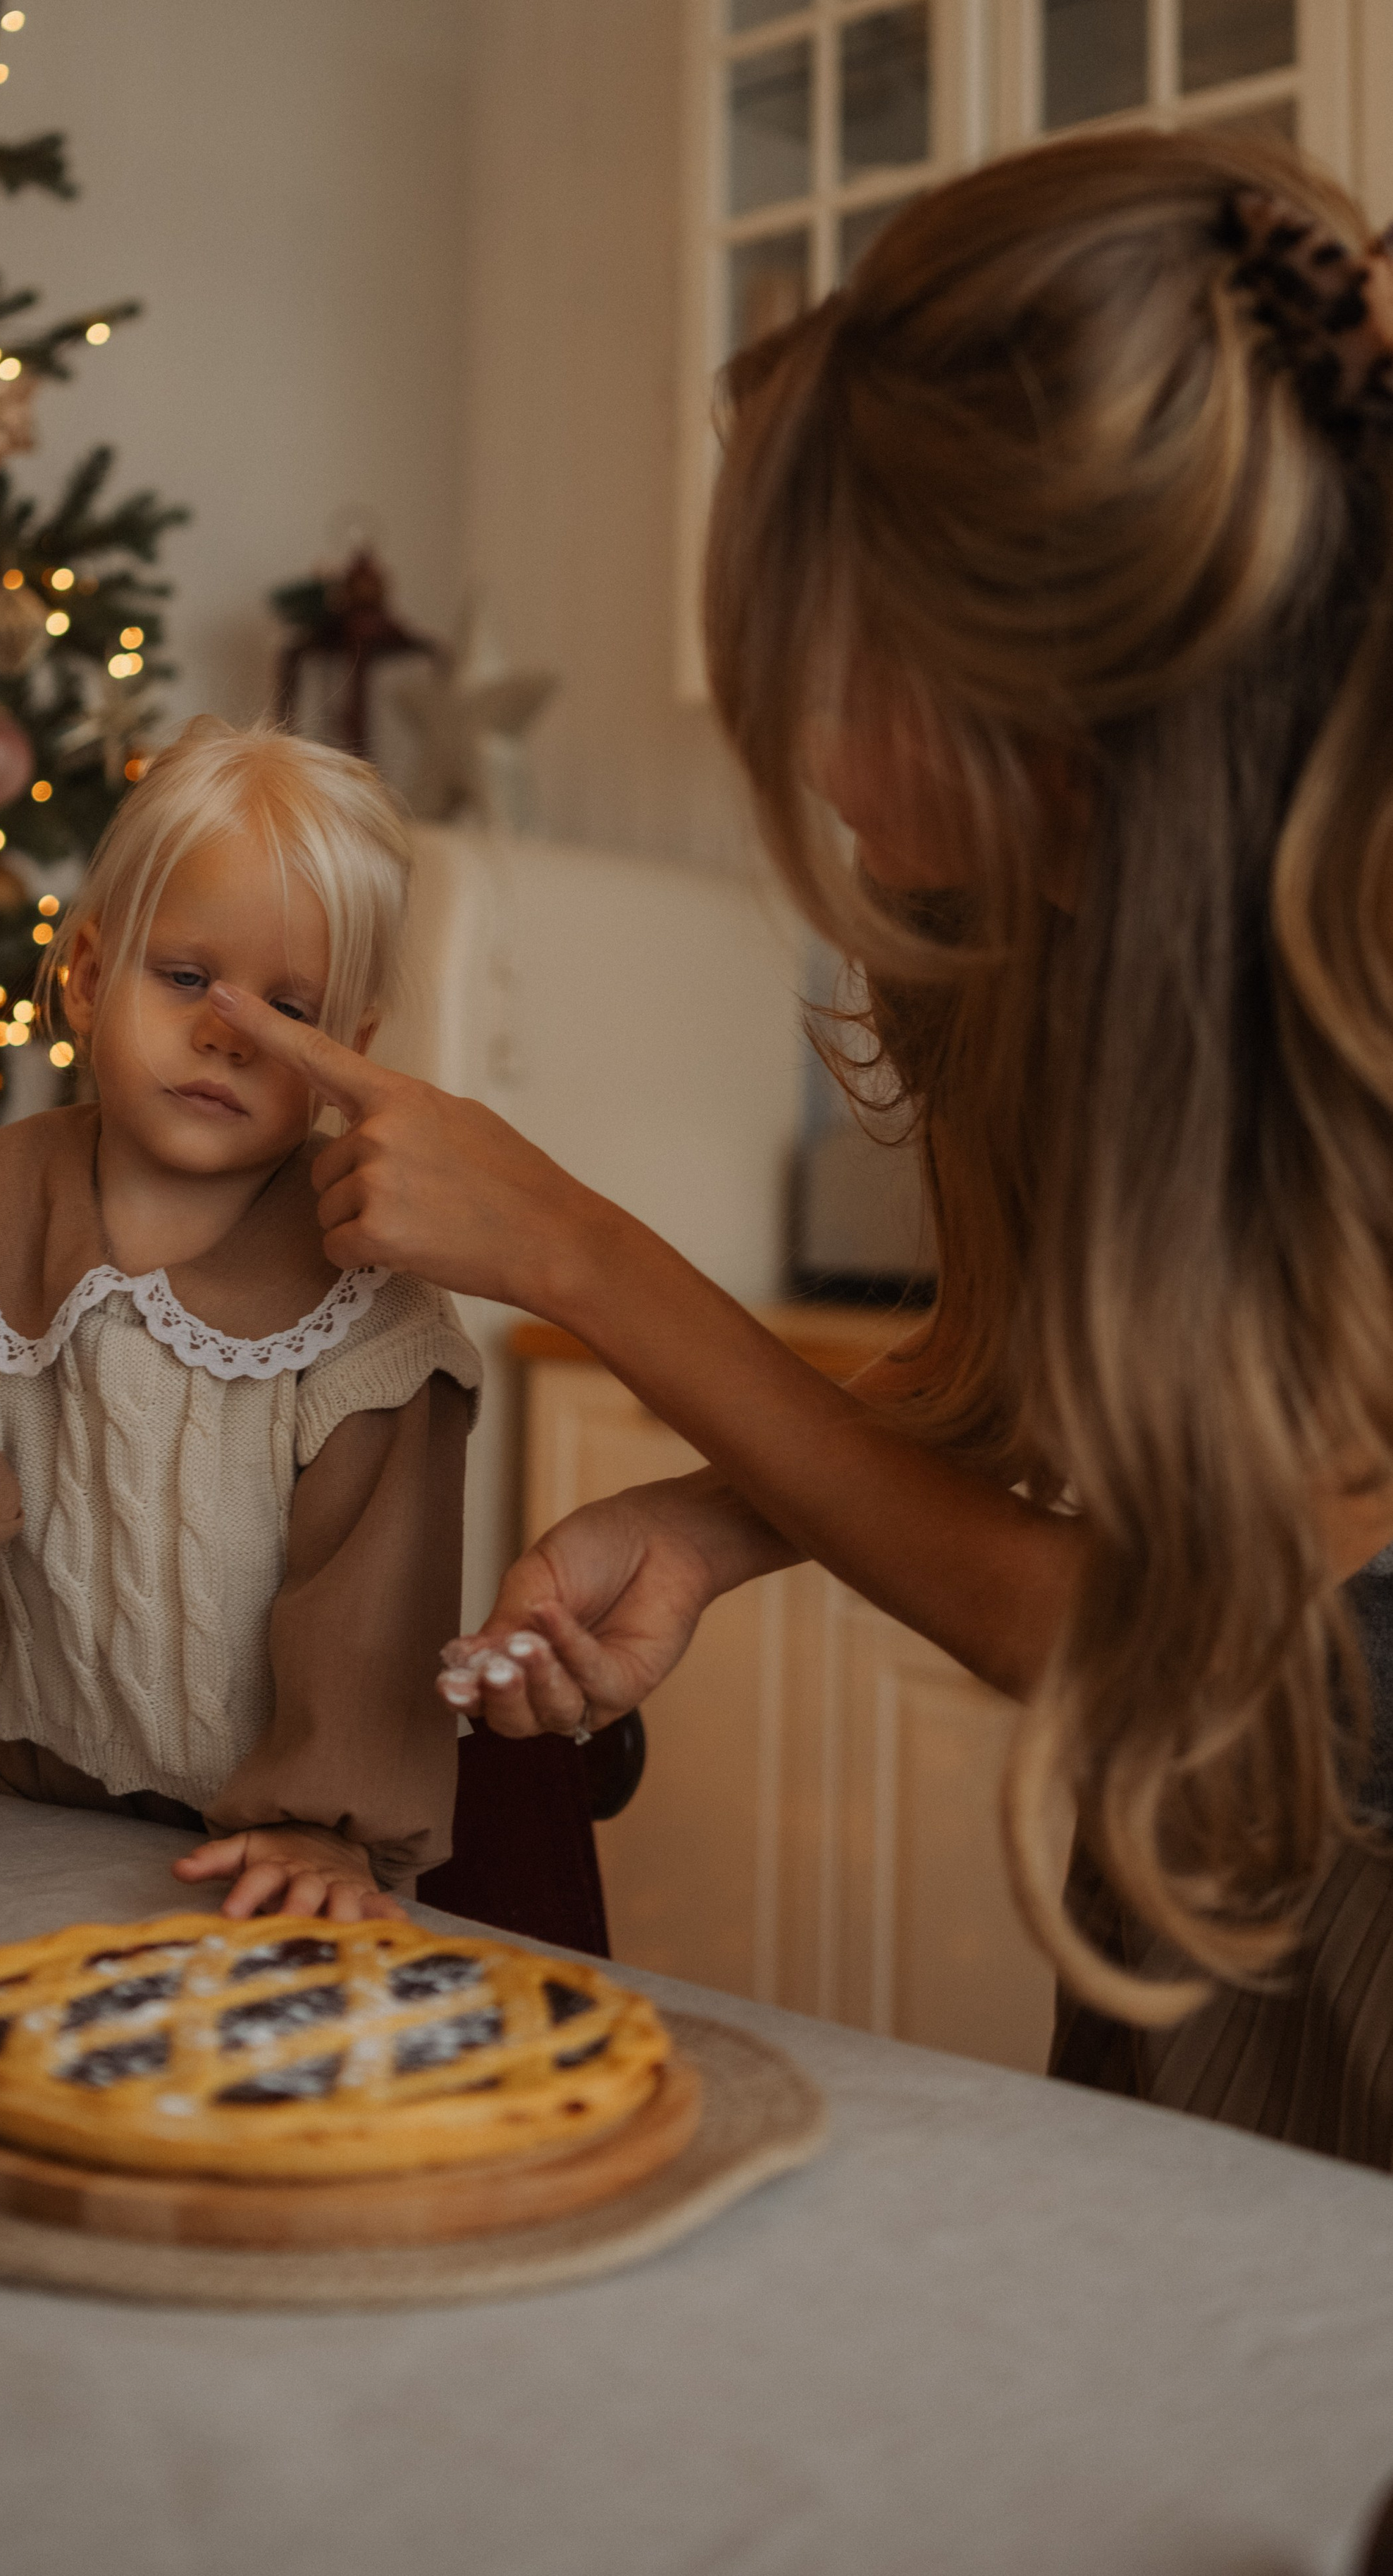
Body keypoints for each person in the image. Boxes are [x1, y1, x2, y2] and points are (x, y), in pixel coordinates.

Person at [204, 130, 1393, 2163]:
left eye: (837, 661)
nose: (806, 740)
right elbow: (1033, 1382)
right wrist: (721, 1516)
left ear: (1049, 702)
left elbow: (1154, 1640)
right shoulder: (1073, 937)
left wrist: (581, 1253)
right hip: (1191, 1906)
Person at [0, 718, 480, 1922]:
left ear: (347, 1052)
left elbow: (374, 1606)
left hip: (270, 1847)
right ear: (92, 976)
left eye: (288, 1009)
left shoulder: (367, 1289)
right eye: (188, 978)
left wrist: (327, 1826)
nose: (226, 1033)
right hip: (6, 1799)